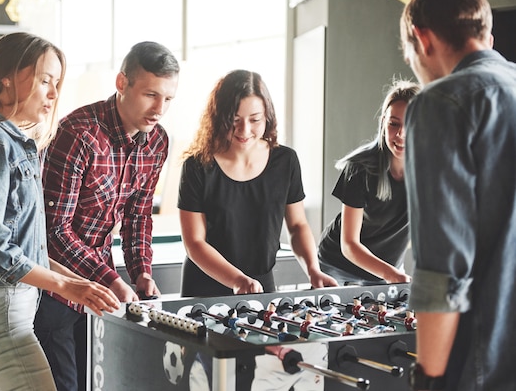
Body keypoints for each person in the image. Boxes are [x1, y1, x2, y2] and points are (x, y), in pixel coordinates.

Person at [0, 32, 119, 391]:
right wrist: (66, 285)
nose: (53, 94)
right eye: (44, 81)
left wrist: (77, 284)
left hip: (5, 315)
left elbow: (25, 249)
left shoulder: (7, 139)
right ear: (7, 76)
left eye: (57, 83)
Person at [35, 41, 180, 391]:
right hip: (54, 289)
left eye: (168, 98)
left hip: (101, 292)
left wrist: (141, 271)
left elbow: (138, 214)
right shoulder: (78, 134)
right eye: (150, 94)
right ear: (121, 83)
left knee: (98, 384)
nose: (159, 108)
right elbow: (53, 232)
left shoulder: (157, 141)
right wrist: (111, 279)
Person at [400, 0, 516, 391]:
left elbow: (442, 270)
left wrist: (428, 378)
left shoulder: (440, 103)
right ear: (487, 35)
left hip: (482, 364)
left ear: (422, 38)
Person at [178, 69, 337, 298]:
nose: (244, 130)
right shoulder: (197, 166)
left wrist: (313, 270)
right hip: (205, 287)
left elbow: (298, 226)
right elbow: (194, 243)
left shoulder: (286, 161)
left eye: (254, 120)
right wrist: (238, 279)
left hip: (260, 286)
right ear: (219, 118)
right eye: (234, 120)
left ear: (267, 117)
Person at [317, 79, 420, 285]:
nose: (401, 134)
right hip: (338, 265)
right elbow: (349, 245)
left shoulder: (431, 172)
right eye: (394, 124)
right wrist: (391, 274)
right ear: (383, 122)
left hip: (388, 268)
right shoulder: (359, 168)